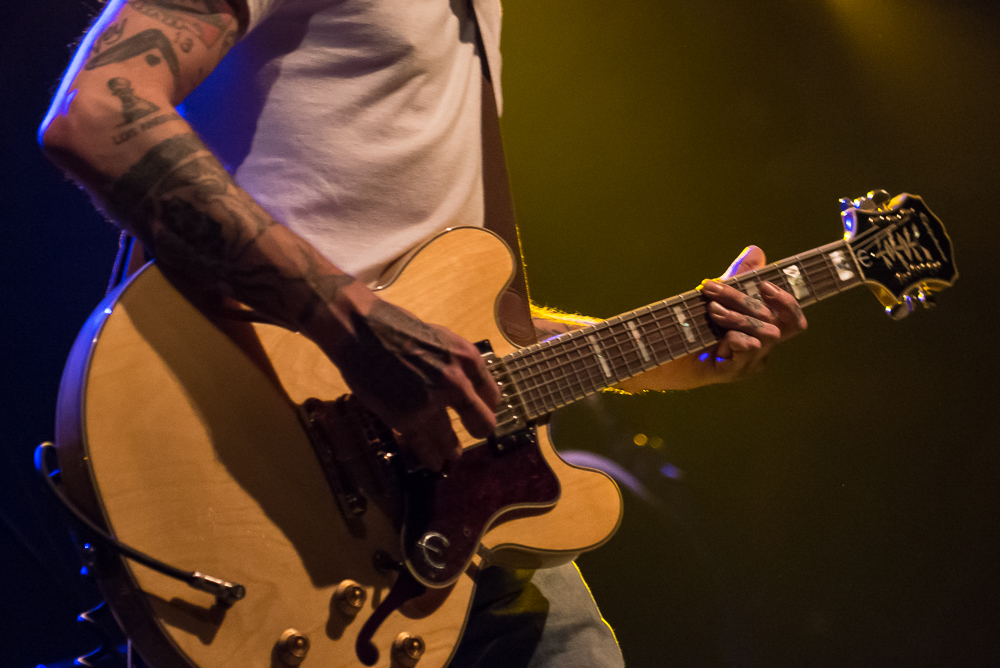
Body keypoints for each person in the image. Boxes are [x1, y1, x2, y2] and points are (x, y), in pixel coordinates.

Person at [39, 0, 807, 665]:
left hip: (459, 508)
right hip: (264, 476)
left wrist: (681, 352)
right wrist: (352, 326)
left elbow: (440, 314)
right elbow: (101, 111)